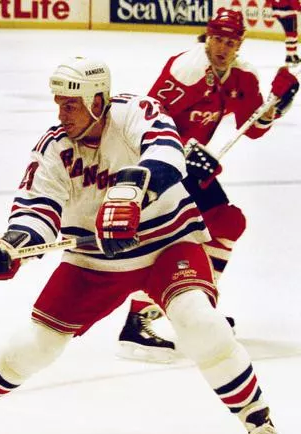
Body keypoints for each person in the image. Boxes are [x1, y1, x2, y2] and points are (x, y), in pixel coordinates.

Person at [0, 57, 286, 434]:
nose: (61, 115)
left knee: (200, 322)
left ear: (99, 100)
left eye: (71, 105)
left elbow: (167, 153)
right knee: (35, 345)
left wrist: (131, 192)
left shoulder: (136, 111)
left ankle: (258, 422)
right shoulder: (53, 150)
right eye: (58, 104)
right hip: (94, 259)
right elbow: (35, 212)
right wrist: (10, 246)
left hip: (167, 243)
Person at [116, 7, 299, 362]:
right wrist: (178, 156)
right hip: (160, 165)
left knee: (228, 221)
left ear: (239, 44)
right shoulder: (185, 70)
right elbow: (146, 123)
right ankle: (137, 321)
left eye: (230, 42)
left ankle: (199, 308)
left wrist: (277, 104)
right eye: (217, 39)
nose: (222, 47)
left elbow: (255, 129)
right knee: (171, 237)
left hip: (191, 168)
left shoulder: (242, 76)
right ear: (207, 36)